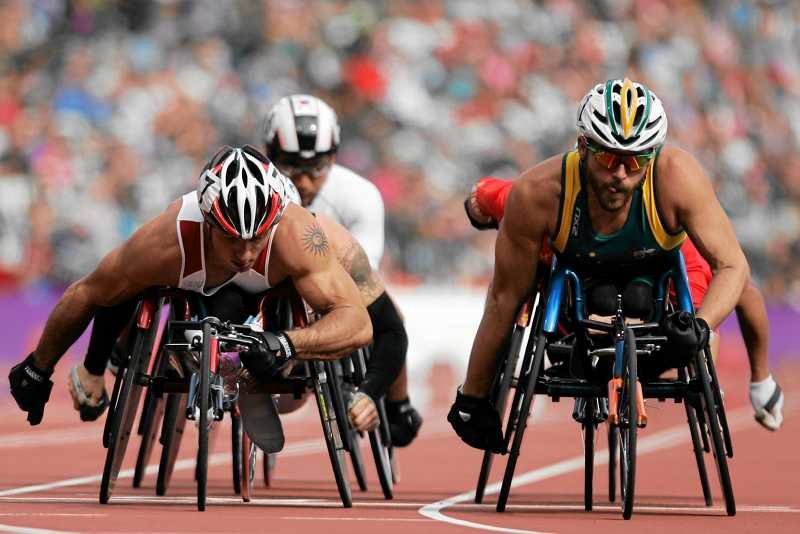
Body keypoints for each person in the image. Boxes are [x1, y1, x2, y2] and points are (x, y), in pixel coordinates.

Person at [448, 78, 751, 452]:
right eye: (609, 158)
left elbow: (733, 265)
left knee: (680, 308)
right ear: (582, 147)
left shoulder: (677, 177)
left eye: (635, 161)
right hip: (580, 289)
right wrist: (472, 398)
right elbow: (504, 299)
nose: (620, 175)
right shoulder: (539, 192)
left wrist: (701, 327)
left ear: (653, 156)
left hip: (654, 282)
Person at [9, 145, 372, 431]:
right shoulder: (166, 239)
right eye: (233, 239)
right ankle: (180, 359)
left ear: (274, 221)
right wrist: (37, 368)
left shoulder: (298, 235)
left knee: (286, 305)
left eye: (257, 238)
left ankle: (249, 362)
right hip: (199, 288)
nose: (246, 253)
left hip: (270, 296)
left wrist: (289, 344)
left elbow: (358, 322)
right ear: (208, 222)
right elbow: (88, 293)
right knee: (126, 284)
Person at [465, 175, 784, 431]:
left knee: (730, 294)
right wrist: (484, 214)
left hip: (650, 329)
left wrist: (701, 363)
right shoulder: (536, 196)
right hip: (573, 323)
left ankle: (761, 382)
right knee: (512, 279)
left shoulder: (673, 237)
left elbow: (723, 297)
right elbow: (481, 197)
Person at [264, 94, 422, 446]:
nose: (303, 182)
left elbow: (366, 275)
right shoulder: (260, 190)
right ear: (271, 157)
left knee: (390, 314)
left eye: (315, 167)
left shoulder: (359, 195)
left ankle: (399, 403)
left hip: (334, 286)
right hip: (273, 285)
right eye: (291, 166)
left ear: (333, 157)